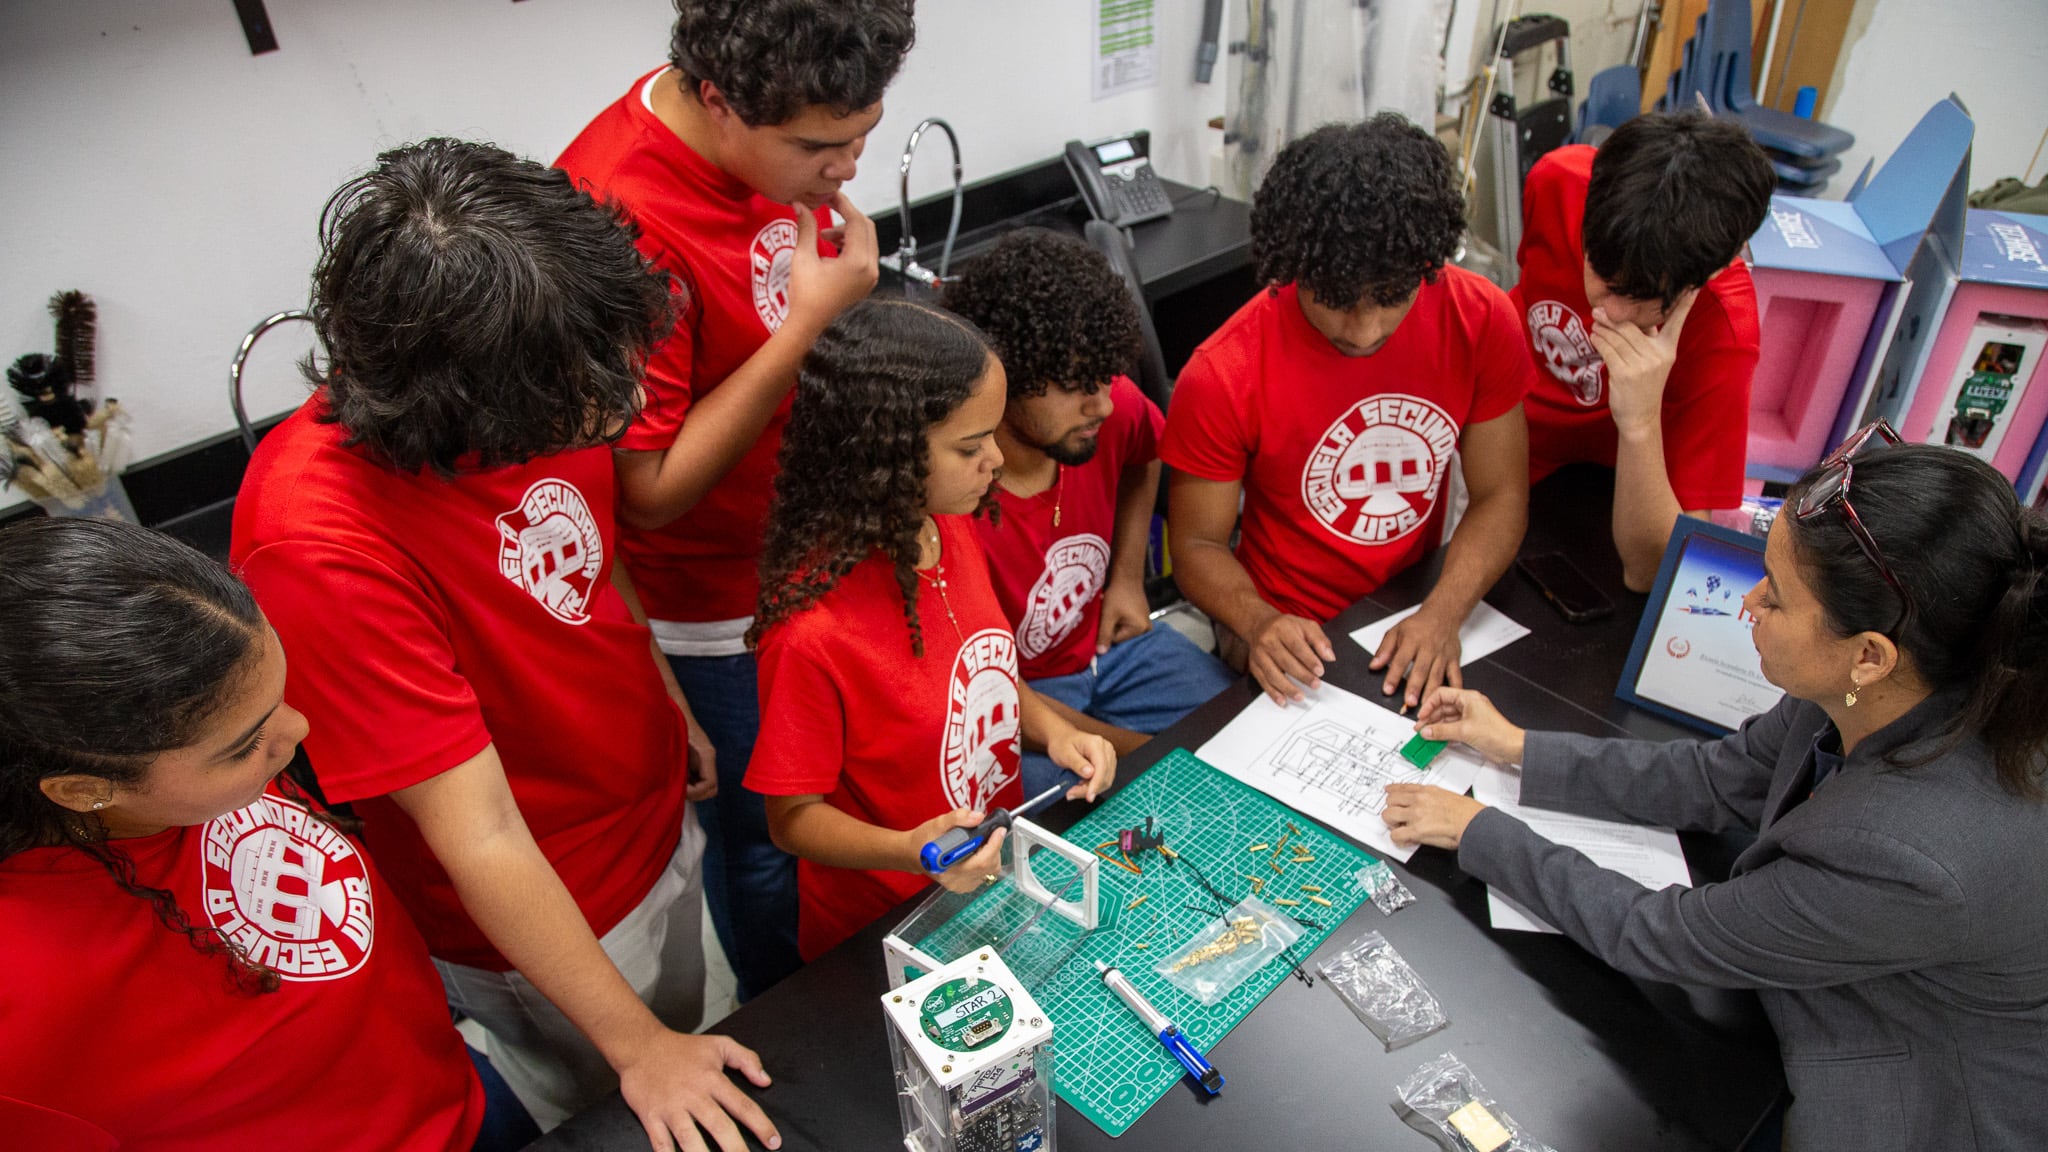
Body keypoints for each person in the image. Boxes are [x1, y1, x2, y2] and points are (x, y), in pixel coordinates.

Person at [231, 140, 780, 1151]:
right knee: (632, 1108)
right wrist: (634, 1047)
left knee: (701, 1028)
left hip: (649, 807)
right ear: (461, 399)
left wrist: (661, 693)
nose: (615, 410)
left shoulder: (549, 353)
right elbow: (476, 830)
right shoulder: (314, 539)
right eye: (583, 401)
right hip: (553, 910)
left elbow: (589, 545)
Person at [1383, 435, 2048, 1150]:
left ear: (1870, 654)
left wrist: (1479, 829)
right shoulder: (1875, 684)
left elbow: (1665, 935)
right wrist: (1518, 747)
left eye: (1777, 597)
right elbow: (1717, 778)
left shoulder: (1918, 853)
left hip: (1907, 1086)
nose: (1748, 605)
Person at [556, 0, 913, 999]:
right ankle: (795, 1031)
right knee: (767, 844)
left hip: (809, 551)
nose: (845, 170)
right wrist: (807, 326)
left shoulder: (771, 146)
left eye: (862, 139)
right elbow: (647, 493)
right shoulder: (617, 217)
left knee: (844, 804)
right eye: (819, 149)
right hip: (715, 606)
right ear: (718, 101)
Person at [0, 518, 531, 1152]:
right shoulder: (25, 992)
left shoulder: (190, 769)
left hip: (457, 1091)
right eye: (246, 744)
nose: (299, 729)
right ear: (84, 788)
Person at [744, 299, 1119, 960]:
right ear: (883, 456)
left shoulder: (945, 523)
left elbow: (984, 676)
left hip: (982, 882)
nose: (997, 460)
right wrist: (916, 849)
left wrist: (1058, 732)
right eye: (970, 447)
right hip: (885, 922)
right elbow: (792, 819)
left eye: (994, 434)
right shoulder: (811, 632)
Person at [1161, 113, 1533, 712]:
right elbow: (1198, 546)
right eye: (1333, 302)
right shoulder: (1223, 371)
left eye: (1391, 299)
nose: (1363, 330)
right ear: (1292, 270)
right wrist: (1257, 623)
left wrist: (1440, 615)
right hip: (1284, 622)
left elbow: (1500, 494)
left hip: (1412, 597)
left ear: (1428, 268)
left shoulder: (1481, 318)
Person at [941, 228, 1235, 795]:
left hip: (1112, 650)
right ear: (1003, 378)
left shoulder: (1108, 408)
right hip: (1017, 698)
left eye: (1105, 376)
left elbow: (1144, 456)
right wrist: (1148, 750)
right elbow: (983, 682)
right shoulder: (954, 499)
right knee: (1049, 820)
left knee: (1244, 726)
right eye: (1076, 385)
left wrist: (1126, 576)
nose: (1101, 403)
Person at [1510, 112, 1775, 591]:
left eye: (1634, 296)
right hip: (1504, 443)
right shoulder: (1557, 180)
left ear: (1703, 278)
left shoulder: (1723, 328)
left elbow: (1655, 572)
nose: (1605, 310)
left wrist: (1639, 422)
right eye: (1600, 276)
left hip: (1605, 500)